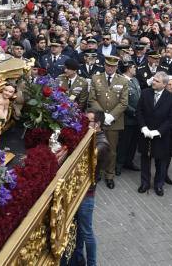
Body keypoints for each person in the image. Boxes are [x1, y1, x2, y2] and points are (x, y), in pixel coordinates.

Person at [69, 110, 110, 266]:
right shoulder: (89, 135)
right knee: (79, 228)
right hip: (79, 189)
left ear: (97, 124)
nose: (85, 123)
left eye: (89, 121)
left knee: (86, 231)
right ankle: (79, 258)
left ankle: (92, 263)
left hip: (87, 194)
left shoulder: (101, 144)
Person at [87, 56, 129, 189]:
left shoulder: (123, 81)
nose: (110, 68)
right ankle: (97, 172)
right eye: (108, 66)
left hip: (114, 122)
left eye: (113, 66)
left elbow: (124, 102)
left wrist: (111, 116)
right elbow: (92, 99)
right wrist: (102, 115)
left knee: (111, 150)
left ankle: (109, 175)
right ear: (104, 65)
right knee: (97, 148)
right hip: (98, 121)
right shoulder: (96, 78)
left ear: (117, 67)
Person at [136, 71, 172, 196]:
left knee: (161, 161)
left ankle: (159, 185)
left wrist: (158, 131)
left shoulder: (171, 98)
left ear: (164, 84)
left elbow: (171, 119)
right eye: (154, 79)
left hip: (161, 136)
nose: (153, 82)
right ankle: (145, 183)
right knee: (145, 159)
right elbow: (139, 112)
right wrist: (143, 127)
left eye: (157, 81)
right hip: (145, 133)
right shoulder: (145, 93)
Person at [115, 61, 141, 174]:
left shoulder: (135, 80)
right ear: (128, 68)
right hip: (126, 118)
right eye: (134, 67)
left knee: (133, 143)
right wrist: (134, 112)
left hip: (137, 118)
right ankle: (119, 164)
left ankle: (129, 161)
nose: (135, 69)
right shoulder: (120, 81)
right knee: (124, 143)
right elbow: (121, 101)